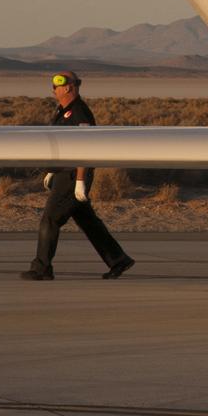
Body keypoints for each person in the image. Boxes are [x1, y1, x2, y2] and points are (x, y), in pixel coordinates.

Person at [21, 71, 135, 280]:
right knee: (87, 220)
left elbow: (85, 147)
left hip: (73, 176)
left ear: (69, 87)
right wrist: (50, 170)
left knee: (51, 219)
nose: (53, 88)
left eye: (57, 83)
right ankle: (119, 259)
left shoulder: (80, 112)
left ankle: (42, 268)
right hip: (63, 173)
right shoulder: (62, 111)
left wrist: (81, 181)